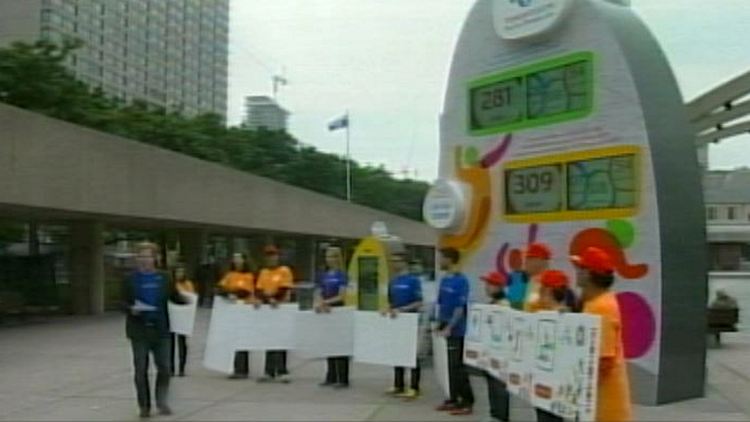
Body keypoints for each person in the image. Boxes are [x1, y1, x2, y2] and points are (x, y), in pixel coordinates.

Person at [121, 242, 187, 419]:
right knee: (140, 369)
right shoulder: (130, 279)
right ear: (137, 259)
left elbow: (175, 297)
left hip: (161, 329)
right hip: (139, 330)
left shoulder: (164, 278)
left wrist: (189, 300)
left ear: (155, 258)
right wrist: (130, 309)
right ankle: (144, 406)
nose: (145, 260)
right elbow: (122, 302)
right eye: (141, 256)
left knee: (165, 368)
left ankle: (162, 400)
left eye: (148, 256)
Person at [572, 247, 633, 422]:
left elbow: (604, 360)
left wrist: (581, 391)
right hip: (597, 404)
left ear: (590, 274)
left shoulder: (602, 308)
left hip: (604, 406)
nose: (577, 273)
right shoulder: (594, 303)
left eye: (580, 268)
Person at [531, 269, 576, 422]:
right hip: (543, 380)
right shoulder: (542, 315)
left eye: (541, 289)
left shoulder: (566, 319)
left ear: (548, 291)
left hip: (555, 384)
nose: (539, 293)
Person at [435, 247, 475, 416]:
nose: (439, 261)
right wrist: (437, 324)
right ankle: (452, 398)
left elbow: (460, 308)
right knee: (447, 368)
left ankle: (467, 401)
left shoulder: (461, 281)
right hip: (442, 328)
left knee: (457, 367)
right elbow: (440, 304)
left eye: (441, 258)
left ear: (450, 259)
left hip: (456, 331)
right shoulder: (444, 280)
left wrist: (450, 327)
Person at [384, 252, 424, 400]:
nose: (394, 264)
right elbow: (390, 301)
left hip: (410, 320)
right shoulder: (393, 281)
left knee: (412, 354)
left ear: (404, 263)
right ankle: (398, 384)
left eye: (397, 261)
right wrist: (388, 309)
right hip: (397, 322)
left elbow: (419, 302)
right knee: (397, 353)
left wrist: (402, 310)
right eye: (392, 261)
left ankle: (414, 387)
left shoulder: (413, 280)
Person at [256, 244, 295, 383]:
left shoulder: (284, 270)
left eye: (273, 255)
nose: (271, 258)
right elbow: (260, 290)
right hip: (269, 308)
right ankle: (269, 370)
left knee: (281, 340)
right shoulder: (264, 272)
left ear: (278, 256)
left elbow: (285, 288)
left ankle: (282, 370)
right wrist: (268, 299)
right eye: (268, 256)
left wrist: (274, 298)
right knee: (269, 339)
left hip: (281, 308)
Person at [316, 246, 351, 389]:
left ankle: (343, 378)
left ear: (338, 258)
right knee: (329, 344)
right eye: (327, 257)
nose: (329, 259)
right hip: (326, 311)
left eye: (332, 256)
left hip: (338, 310)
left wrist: (326, 302)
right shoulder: (323, 275)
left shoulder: (342, 275)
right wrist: (319, 302)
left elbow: (342, 295)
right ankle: (330, 375)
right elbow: (318, 291)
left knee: (340, 345)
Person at [217, 252, 256, 380]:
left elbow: (248, 291)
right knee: (233, 340)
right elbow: (220, 288)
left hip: (245, 309)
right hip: (232, 311)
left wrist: (235, 293)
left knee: (243, 340)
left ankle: (243, 369)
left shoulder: (249, 275)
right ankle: (236, 367)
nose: (237, 261)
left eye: (239, 259)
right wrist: (228, 293)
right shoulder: (230, 275)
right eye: (235, 259)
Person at [480, 271, 510, 422]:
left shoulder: (503, 304)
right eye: (486, 283)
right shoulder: (491, 303)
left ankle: (501, 416)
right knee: (491, 384)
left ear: (498, 287)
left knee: (499, 386)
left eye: (489, 284)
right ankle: (495, 414)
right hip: (490, 352)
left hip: (500, 353)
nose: (486, 287)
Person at [506, 243, 551, 310]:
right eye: (526, 258)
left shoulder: (551, 283)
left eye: (530, 258)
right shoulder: (516, 278)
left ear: (543, 262)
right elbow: (513, 304)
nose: (526, 262)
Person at [171, 265, 195, 377]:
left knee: (182, 343)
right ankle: (170, 367)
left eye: (181, 272)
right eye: (177, 272)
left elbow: (191, 298)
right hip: (172, 317)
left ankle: (181, 367)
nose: (179, 274)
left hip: (183, 319)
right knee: (170, 344)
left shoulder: (188, 284)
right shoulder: (171, 285)